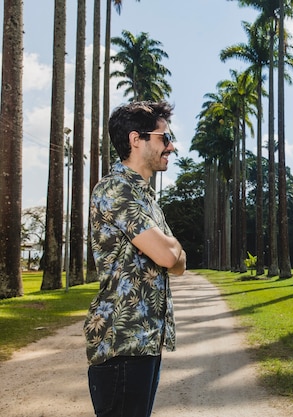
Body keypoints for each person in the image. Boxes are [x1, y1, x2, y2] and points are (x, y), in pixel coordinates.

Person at [83, 100, 187, 417]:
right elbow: (171, 256)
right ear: (135, 139)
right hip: (122, 344)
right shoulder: (115, 190)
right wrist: (171, 251)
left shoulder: (145, 197)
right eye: (163, 138)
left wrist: (171, 251)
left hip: (144, 342)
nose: (170, 146)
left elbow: (180, 262)